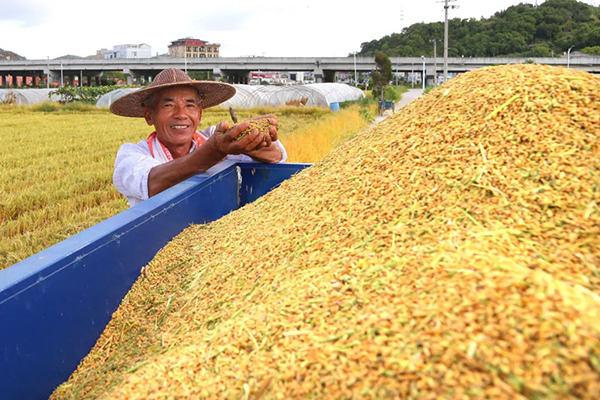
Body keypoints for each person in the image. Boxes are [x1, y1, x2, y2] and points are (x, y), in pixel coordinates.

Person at [110, 68, 287, 207]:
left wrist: (255, 137)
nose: (181, 114)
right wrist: (214, 151)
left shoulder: (214, 138)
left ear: (199, 114)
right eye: (168, 105)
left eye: (189, 105)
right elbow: (151, 181)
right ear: (149, 116)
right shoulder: (132, 154)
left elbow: (276, 156)